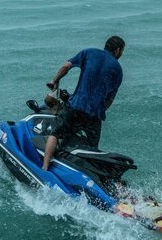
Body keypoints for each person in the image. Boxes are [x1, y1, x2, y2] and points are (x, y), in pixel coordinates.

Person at [42, 36, 125, 171]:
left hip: (75, 106)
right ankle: (88, 175)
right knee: (92, 149)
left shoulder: (89, 52)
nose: (121, 54)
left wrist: (54, 80)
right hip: (94, 114)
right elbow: (110, 99)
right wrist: (99, 110)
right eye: (122, 51)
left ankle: (45, 167)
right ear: (117, 50)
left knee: (56, 133)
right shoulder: (118, 69)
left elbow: (66, 66)